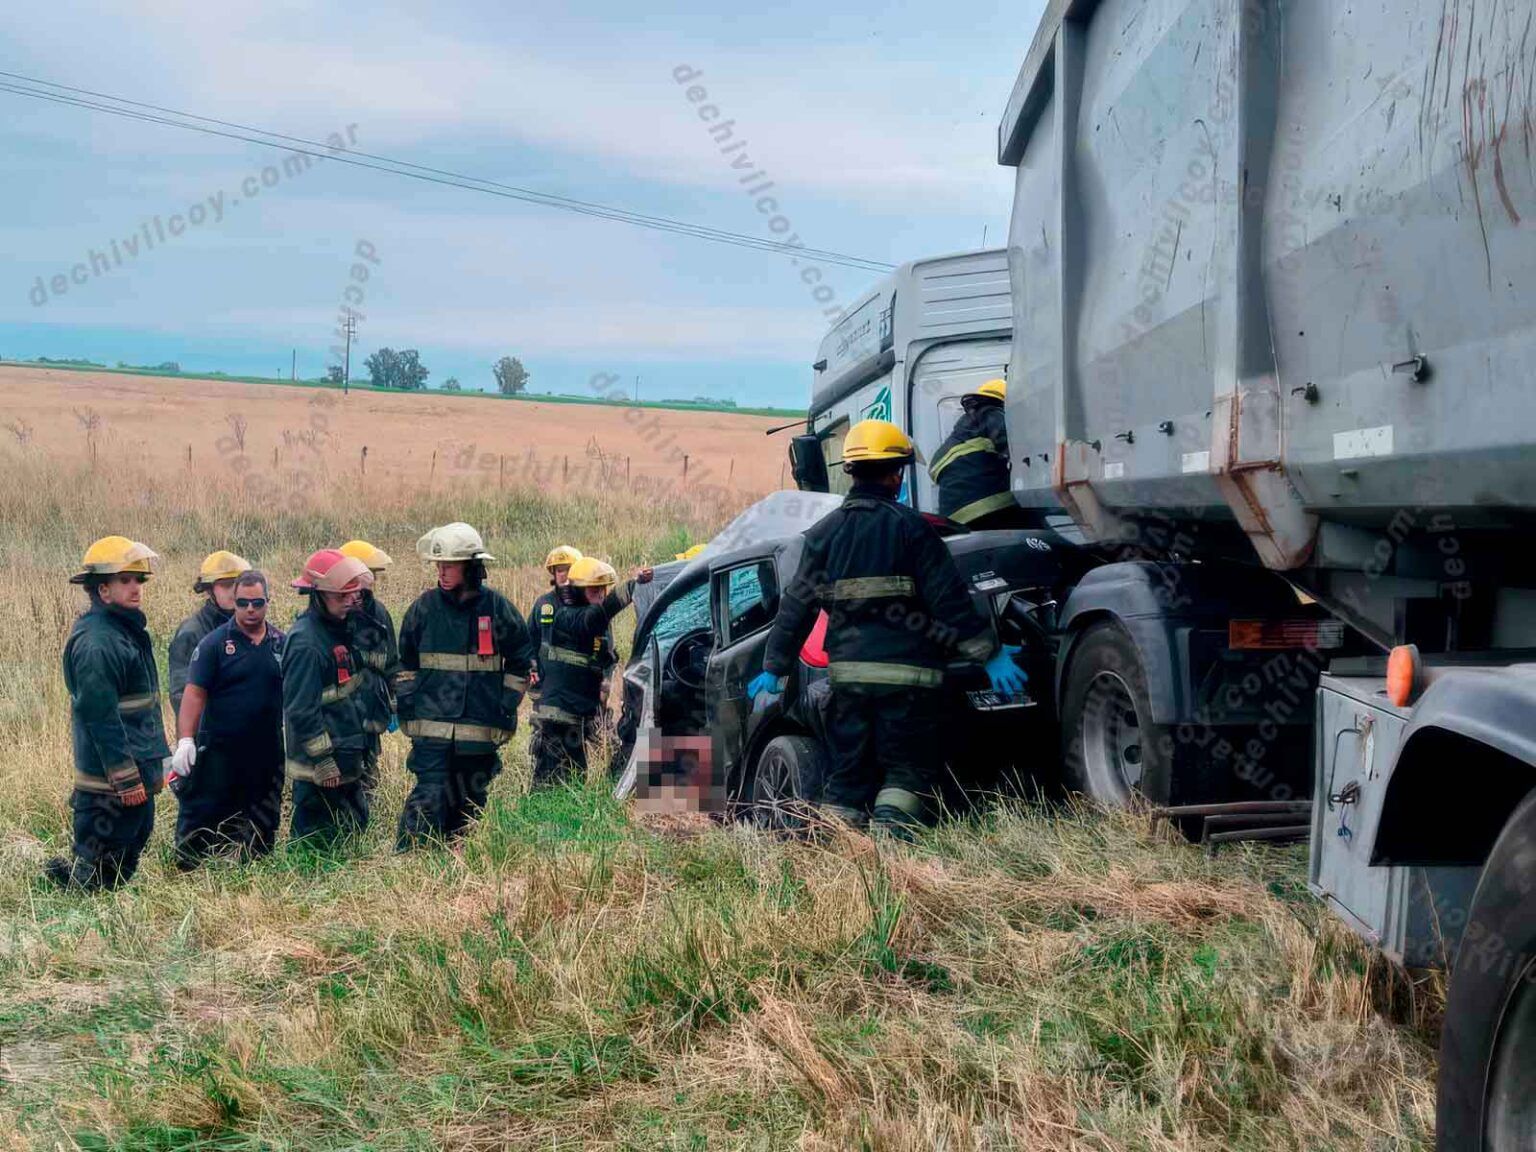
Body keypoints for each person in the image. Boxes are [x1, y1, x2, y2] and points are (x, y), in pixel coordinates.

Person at [749, 419, 1027, 835]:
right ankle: (890, 852)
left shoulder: (823, 535)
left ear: (851, 472)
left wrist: (775, 665)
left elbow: (797, 606)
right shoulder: (912, 529)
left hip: (847, 685)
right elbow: (949, 602)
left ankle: (841, 857)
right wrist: (989, 653)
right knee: (905, 773)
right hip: (909, 684)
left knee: (849, 774)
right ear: (897, 473)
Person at [394, 522, 535, 848]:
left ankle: (456, 864)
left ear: (471, 567)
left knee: (469, 800)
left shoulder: (497, 609)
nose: (442, 572)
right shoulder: (423, 609)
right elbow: (405, 666)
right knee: (429, 795)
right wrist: (408, 708)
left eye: (449, 565)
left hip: (479, 729)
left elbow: (521, 659)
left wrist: (505, 705)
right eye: (438, 565)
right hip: (431, 730)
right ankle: (411, 863)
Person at [45, 536, 170, 890]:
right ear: (103, 590)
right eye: (125, 581)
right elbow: (99, 715)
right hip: (109, 787)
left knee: (126, 855)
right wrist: (125, 776)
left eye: (138, 580)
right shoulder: (98, 642)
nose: (135, 588)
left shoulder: (123, 631)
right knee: (101, 870)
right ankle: (76, 914)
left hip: (134, 774)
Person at [169, 570, 286, 867]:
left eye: (257, 603)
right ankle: (188, 871)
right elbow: (193, 694)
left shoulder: (281, 643)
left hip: (267, 750)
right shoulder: (214, 644)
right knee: (203, 817)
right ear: (233, 602)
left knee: (262, 824)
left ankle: (252, 871)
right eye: (243, 603)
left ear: (268, 602)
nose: (250, 609)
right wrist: (185, 740)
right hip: (220, 749)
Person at [530, 556, 652, 786]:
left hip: (578, 714)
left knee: (576, 776)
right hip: (558, 715)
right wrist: (631, 586)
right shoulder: (567, 616)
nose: (601, 596)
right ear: (577, 591)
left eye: (603, 591)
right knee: (550, 779)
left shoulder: (591, 619)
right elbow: (595, 617)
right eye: (594, 591)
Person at [283, 549, 376, 844]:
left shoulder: (338, 630)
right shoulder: (305, 643)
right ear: (318, 594)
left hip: (346, 756)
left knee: (353, 833)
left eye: (352, 595)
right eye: (341, 596)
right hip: (319, 771)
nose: (349, 602)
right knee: (313, 845)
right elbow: (301, 709)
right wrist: (323, 759)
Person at [339, 540, 399, 797]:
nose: (370, 582)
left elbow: (392, 660)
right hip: (338, 720)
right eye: (366, 575)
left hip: (371, 713)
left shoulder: (379, 614)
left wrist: (395, 702)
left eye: (372, 576)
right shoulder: (331, 616)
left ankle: (362, 828)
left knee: (367, 783)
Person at [928, 378, 1025, 528]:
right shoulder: (991, 413)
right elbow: (1013, 446)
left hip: (955, 516)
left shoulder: (965, 429)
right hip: (985, 507)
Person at [168, 551, 251, 717]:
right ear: (209, 589)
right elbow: (181, 697)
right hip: (208, 737)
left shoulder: (251, 627)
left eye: (239, 584)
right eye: (226, 584)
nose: (234, 591)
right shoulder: (191, 633)